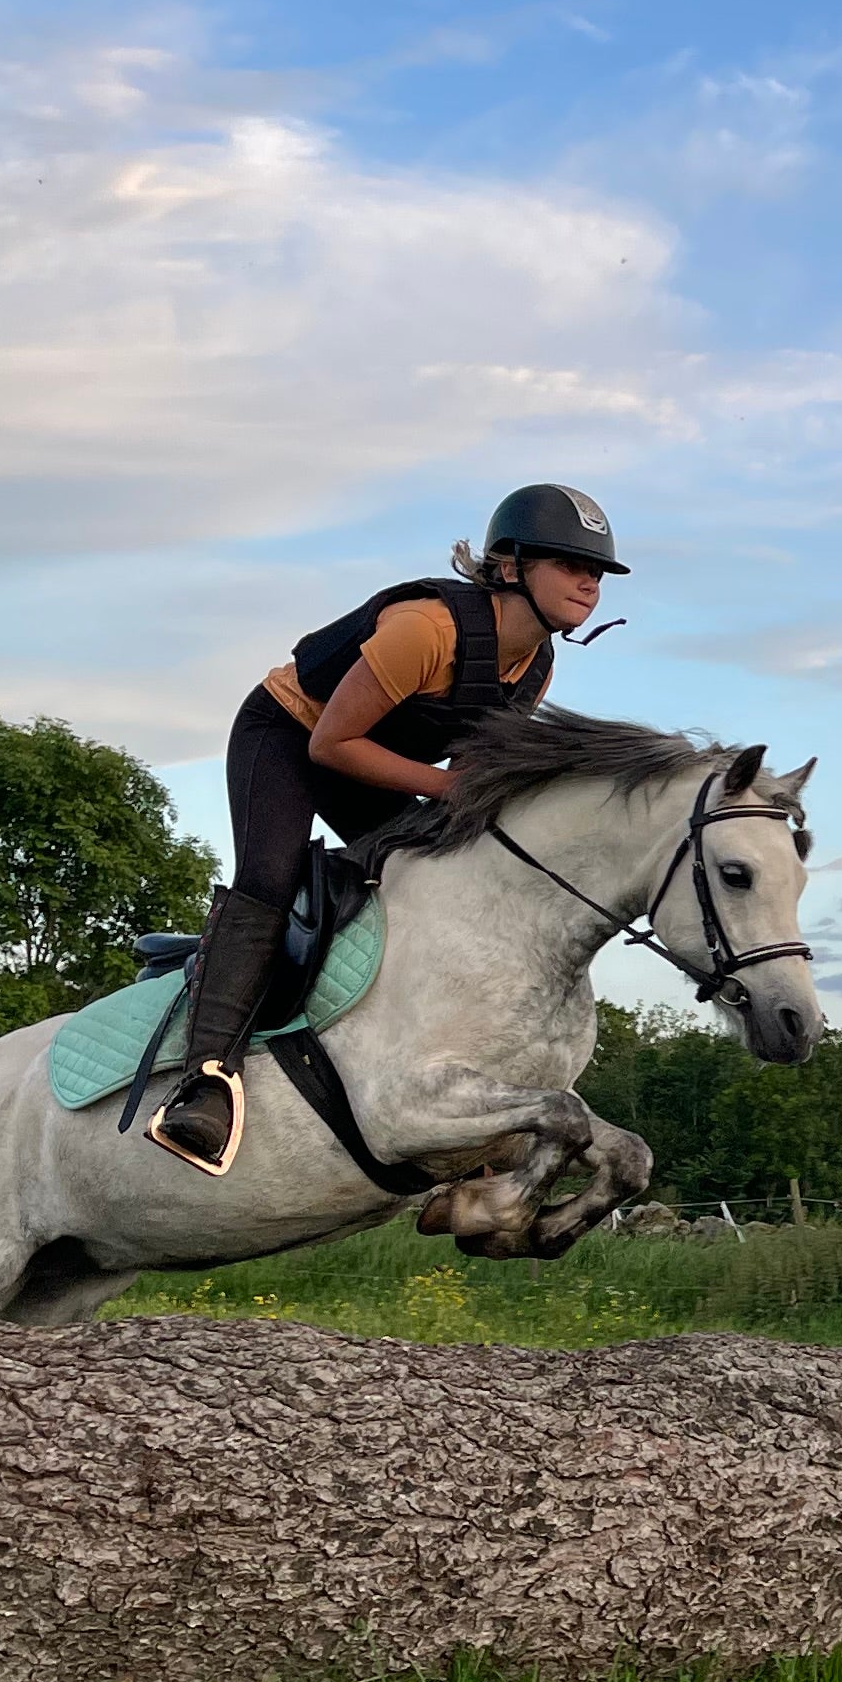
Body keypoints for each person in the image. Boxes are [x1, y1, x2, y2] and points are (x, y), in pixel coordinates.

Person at [144, 482, 629, 1172]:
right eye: (570, 564)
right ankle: (206, 1081)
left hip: (371, 759)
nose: (590, 582)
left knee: (440, 863)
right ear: (512, 565)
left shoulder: (535, 664)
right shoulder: (426, 628)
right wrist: (440, 786)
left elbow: (467, 774)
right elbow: (331, 747)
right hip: (289, 736)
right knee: (271, 879)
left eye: (598, 572)